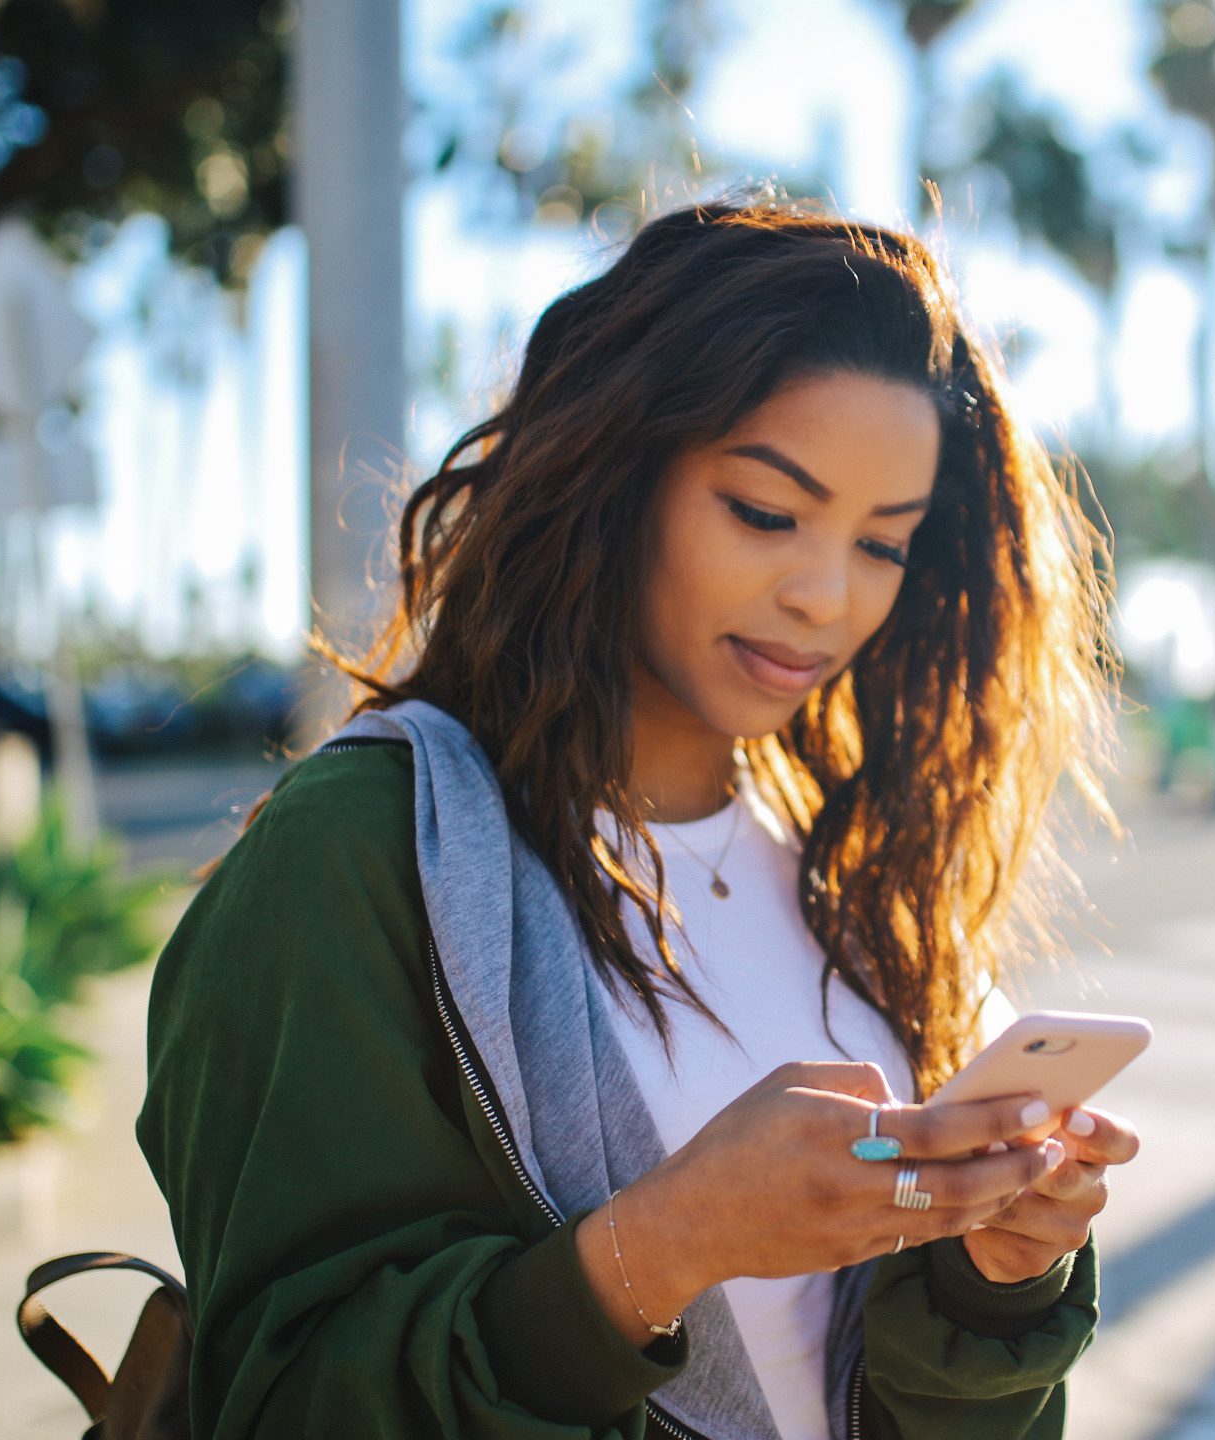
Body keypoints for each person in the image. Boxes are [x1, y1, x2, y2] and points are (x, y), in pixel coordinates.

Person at [137, 195, 1140, 1440]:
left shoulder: (856, 882)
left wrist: (992, 1287)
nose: (824, 596)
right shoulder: (355, 853)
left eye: (884, 545)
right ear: (612, 472)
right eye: (766, 513)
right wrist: (667, 1243)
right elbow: (287, 1404)